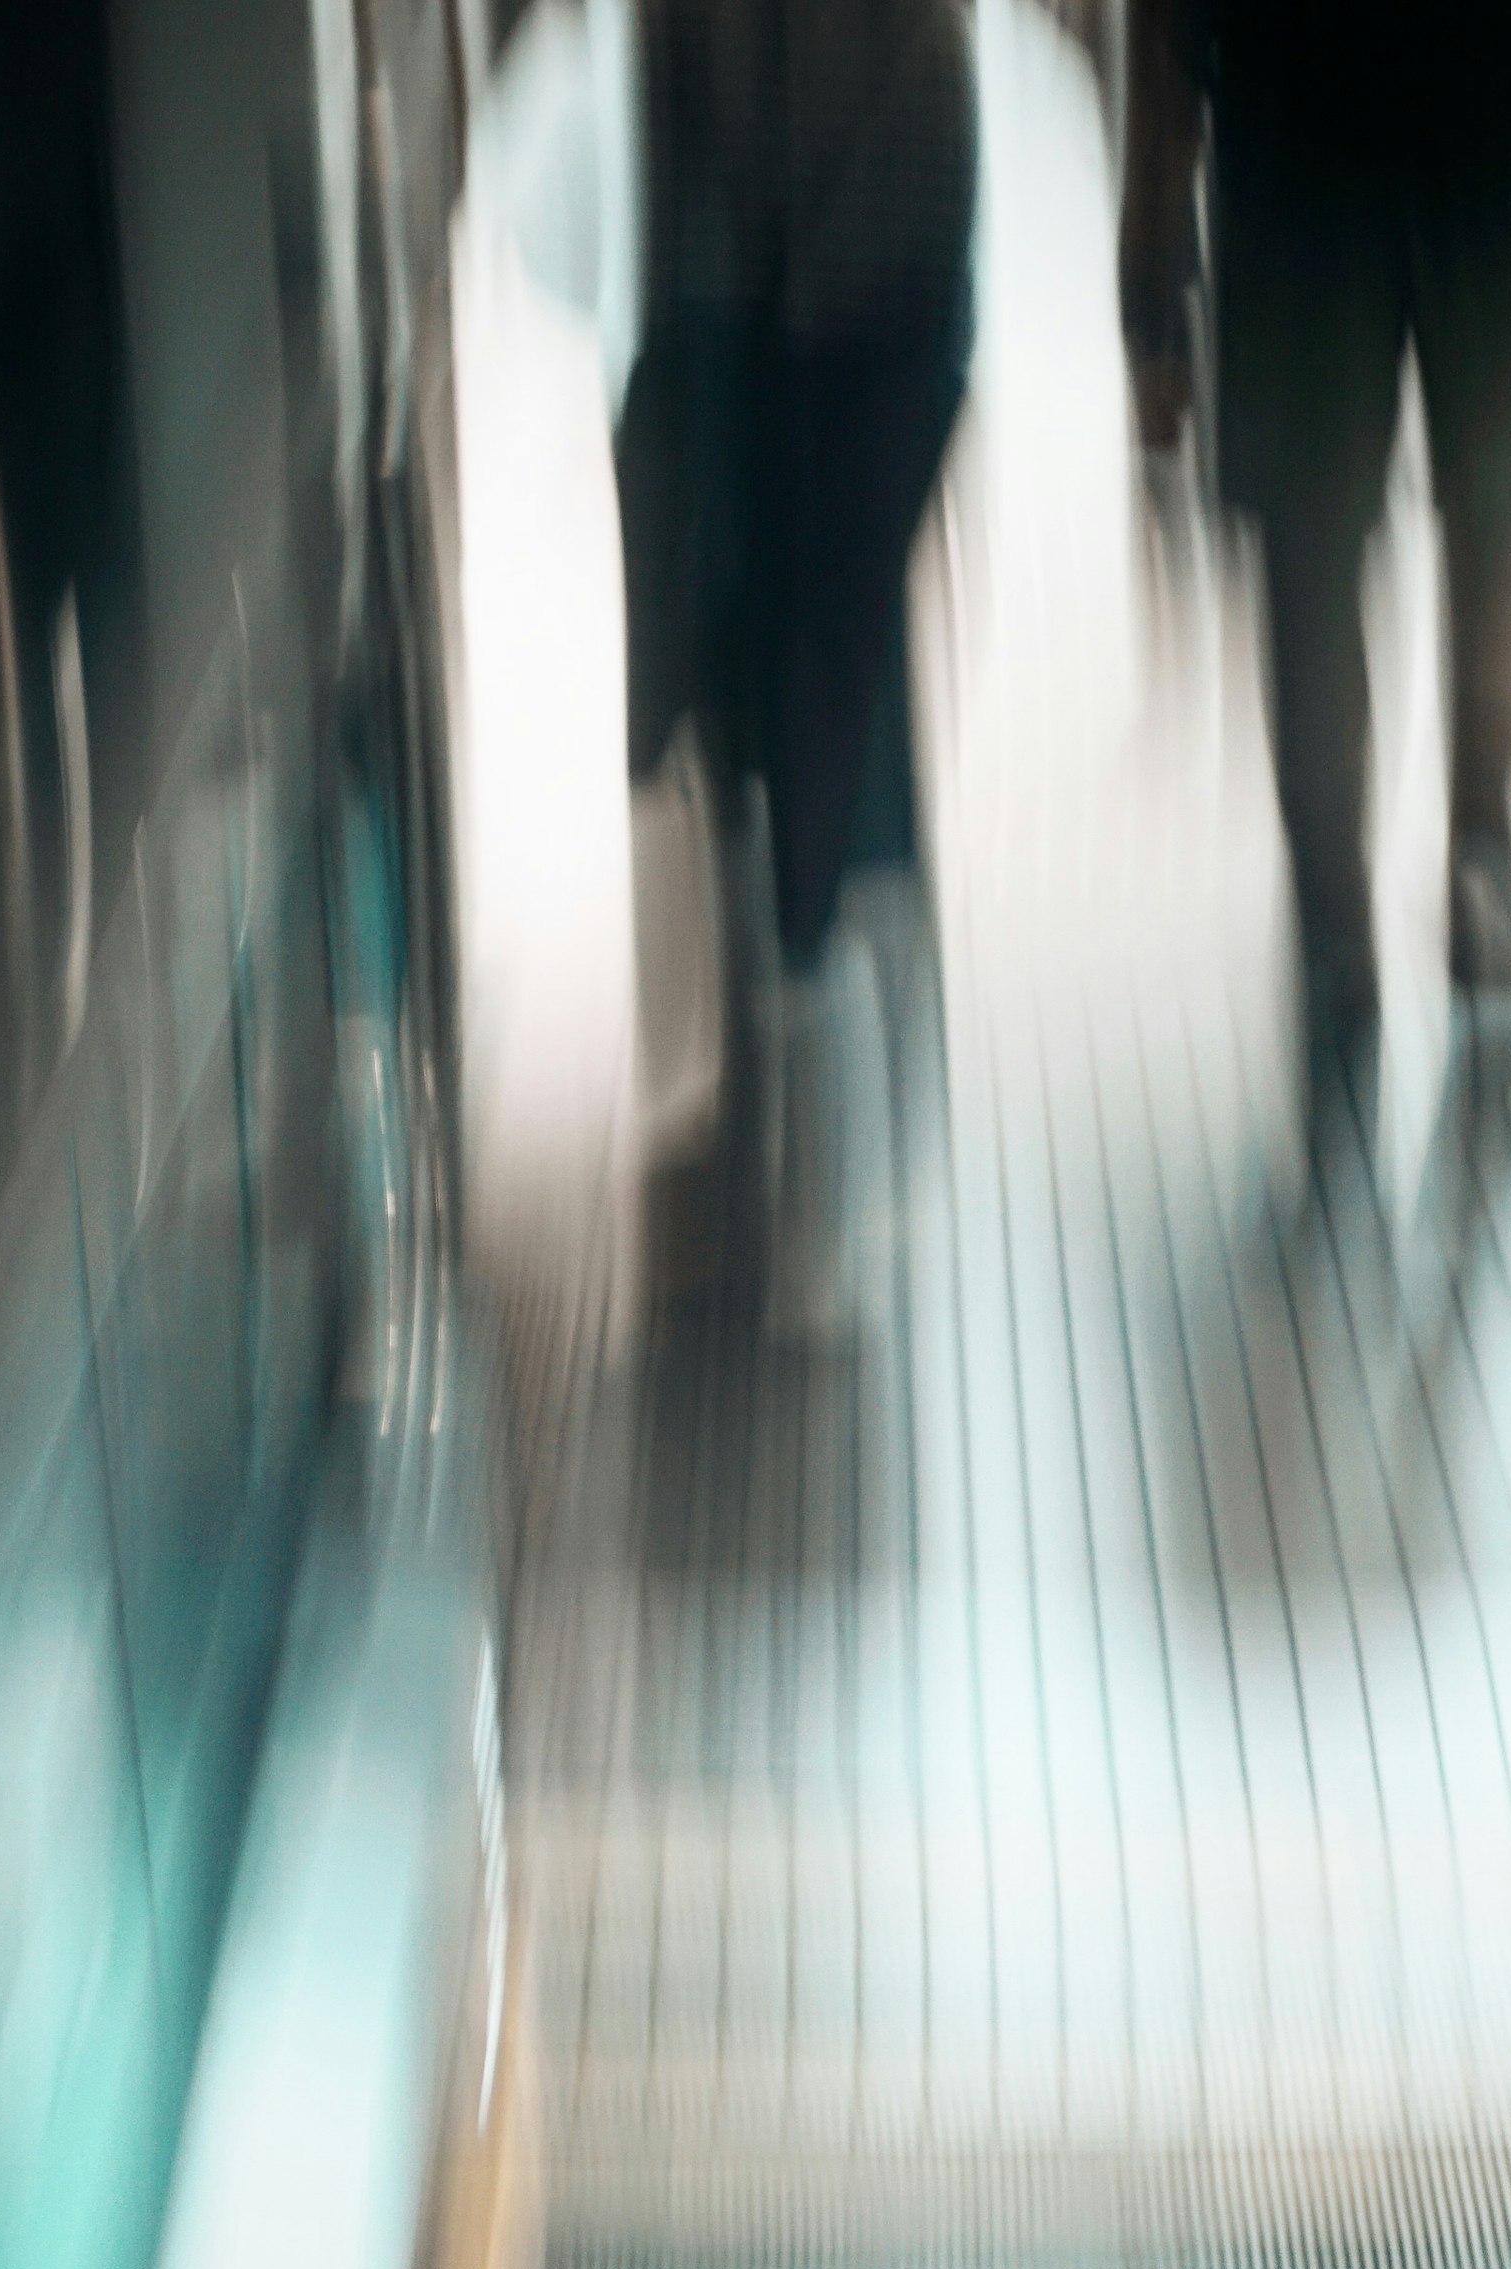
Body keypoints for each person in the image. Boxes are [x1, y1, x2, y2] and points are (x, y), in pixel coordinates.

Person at [1120, 0, 1511, 1114]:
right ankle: (1470, 877)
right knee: (1492, 517)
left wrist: (1152, 222)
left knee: (1320, 535)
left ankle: (1339, 928)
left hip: (1308, 116)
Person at [618, 0, 976, 1330]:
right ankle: (808, 977)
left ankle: (807, 980)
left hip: (830, 284)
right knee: (816, 650)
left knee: (810, 650)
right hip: (832, 282)